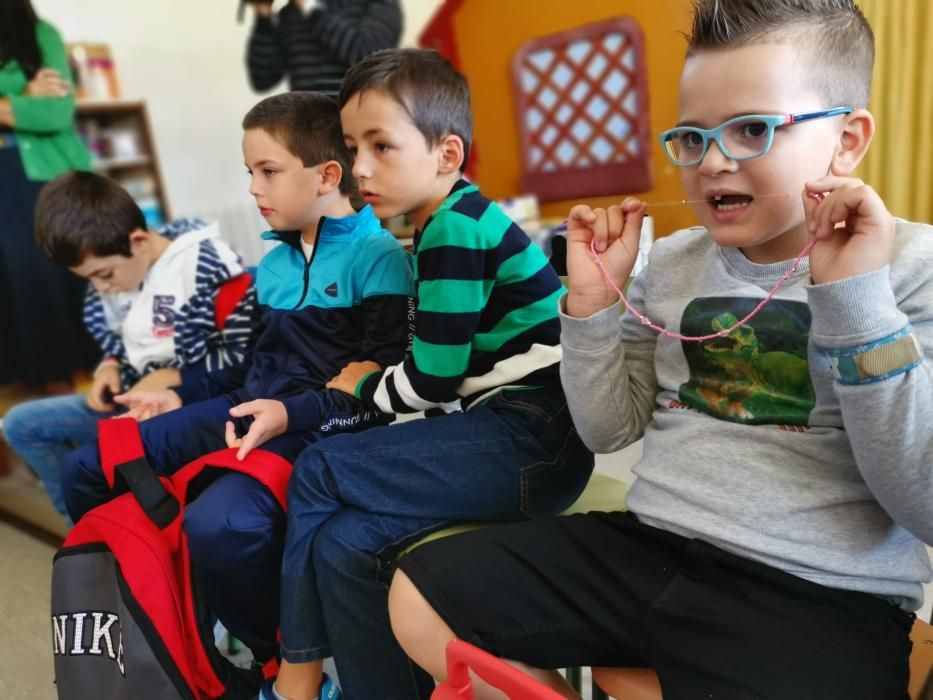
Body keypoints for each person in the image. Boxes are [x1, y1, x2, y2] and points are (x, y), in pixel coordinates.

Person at [388, 1, 933, 698]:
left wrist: (858, 305)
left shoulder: (909, 265)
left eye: (750, 129)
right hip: (649, 548)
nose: (710, 163)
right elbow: (608, 427)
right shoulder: (673, 262)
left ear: (846, 141)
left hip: (820, 594)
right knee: (420, 594)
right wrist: (588, 309)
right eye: (690, 137)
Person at [258, 49, 595, 700]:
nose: (359, 168)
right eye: (354, 147)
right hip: (513, 439)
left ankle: (295, 675)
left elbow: (431, 381)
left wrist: (361, 384)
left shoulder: (453, 230)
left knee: (321, 467)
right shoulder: (443, 224)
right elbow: (442, 380)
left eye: (381, 147)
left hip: (532, 440)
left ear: (446, 155)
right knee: (344, 545)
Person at [60, 91, 414, 667]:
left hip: (318, 429)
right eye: (250, 172)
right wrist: (175, 394)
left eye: (268, 171)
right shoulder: (271, 264)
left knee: (222, 522)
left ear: (327, 175)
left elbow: (377, 401)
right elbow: (242, 368)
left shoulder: (379, 260)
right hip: (247, 406)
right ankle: (163, 622)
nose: (253, 188)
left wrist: (290, 414)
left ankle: (280, 655)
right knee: (88, 466)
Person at [2, 172, 255, 520]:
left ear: (137, 241)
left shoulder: (207, 267)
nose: (101, 288)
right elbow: (127, 333)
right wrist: (109, 365)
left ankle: (111, 524)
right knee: (20, 424)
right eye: (89, 278)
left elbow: (242, 359)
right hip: (131, 399)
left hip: (189, 405)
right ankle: (88, 530)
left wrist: (176, 378)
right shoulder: (120, 268)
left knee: (87, 463)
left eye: (104, 275)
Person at [0, 0, 98, 388]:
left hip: (42, 177)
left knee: (55, 282)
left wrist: (20, 104)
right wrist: (23, 95)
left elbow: (54, 114)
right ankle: (38, 401)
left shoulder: (41, 36)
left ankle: (87, 397)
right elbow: (34, 111)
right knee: (15, 293)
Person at [246, 0, 401, 96]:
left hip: (357, 130)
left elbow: (370, 57)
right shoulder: (290, 13)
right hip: (306, 131)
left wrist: (310, 7)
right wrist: (263, 16)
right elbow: (262, 79)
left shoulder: (378, 3)